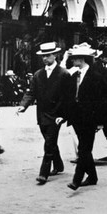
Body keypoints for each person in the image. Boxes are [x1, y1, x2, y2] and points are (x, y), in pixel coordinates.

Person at [18, 42, 71, 185]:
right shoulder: (38, 74)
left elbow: (68, 97)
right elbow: (31, 92)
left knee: (49, 143)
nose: (45, 59)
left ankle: (43, 173)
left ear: (55, 56)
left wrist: (64, 115)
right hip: (42, 114)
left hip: (56, 115)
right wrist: (23, 106)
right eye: (43, 56)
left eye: (47, 55)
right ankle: (59, 165)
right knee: (50, 141)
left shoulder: (64, 74)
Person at [57, 43, 104, 190]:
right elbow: (68, 97)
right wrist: (64, 116)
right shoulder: (74, 75)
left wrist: (100, 121)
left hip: (90, 118)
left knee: (84, 148)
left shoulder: (96, 76)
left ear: (82, 59)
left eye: (75, 58)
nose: (72, 60)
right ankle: (92, 177)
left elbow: (101, 100)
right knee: (84, 147)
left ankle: (77, 180)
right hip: (76, 117)